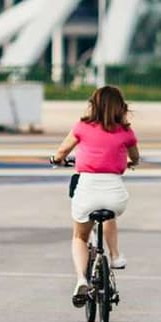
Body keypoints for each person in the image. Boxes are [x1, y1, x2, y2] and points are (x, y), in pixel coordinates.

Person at [50, 85, 139, 307]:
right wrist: (130, 162)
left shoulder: (82, 127)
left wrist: (56, 160)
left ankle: (81, 279)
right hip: (114, 191)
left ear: (93, 105)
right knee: (109, 216)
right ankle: (116, 255)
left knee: (80, 236)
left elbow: (62, 152)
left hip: (87, 188)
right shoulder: (125, 131)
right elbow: (135, 157)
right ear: (121, 107)